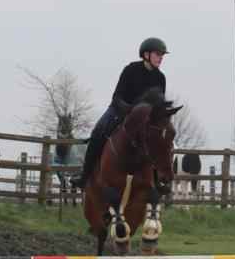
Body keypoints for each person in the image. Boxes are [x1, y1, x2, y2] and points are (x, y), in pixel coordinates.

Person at [70, 38, 168, 189]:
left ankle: (156, 181)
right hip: (120, 109)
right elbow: (117, 96)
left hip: (145, 119)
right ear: (146, 54)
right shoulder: (130, 70)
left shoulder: (160, 78)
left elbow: (158, 106)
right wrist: (129, 110)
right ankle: (85, 176)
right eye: (158, 54)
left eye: (162, 55)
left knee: (157, 139)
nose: (161, 58)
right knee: (98, 132)